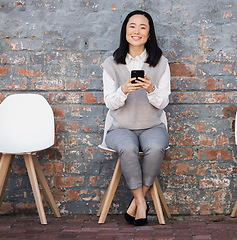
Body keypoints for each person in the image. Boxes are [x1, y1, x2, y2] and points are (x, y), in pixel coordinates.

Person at [101, 10, 170, 226]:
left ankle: (135, 204)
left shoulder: (161, 63)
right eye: (132, 26)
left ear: (149, 34)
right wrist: (123, 90)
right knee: (128, 148)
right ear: (125, 31)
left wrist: (151, 89)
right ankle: (141, 202)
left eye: (143, 27)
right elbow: (109, 102)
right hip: (120, 127)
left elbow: (163, 103)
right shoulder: (111, 64)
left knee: (156, 148)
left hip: (153, 125)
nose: (137, 31)